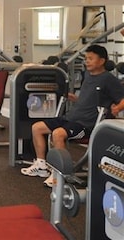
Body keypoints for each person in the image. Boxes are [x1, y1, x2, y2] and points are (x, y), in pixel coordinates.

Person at [21, 44, 124, 187]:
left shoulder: (108, 79)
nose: (87, 61)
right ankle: (41, 165)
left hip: (86, 125)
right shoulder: (87, 75)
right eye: (86, 58)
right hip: (70, 118)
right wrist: (75, 98)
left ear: (101, 61)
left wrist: (117, 108)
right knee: (37, 128)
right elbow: (88, 98)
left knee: (58, 134)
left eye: (91, 59)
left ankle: (60, 174)